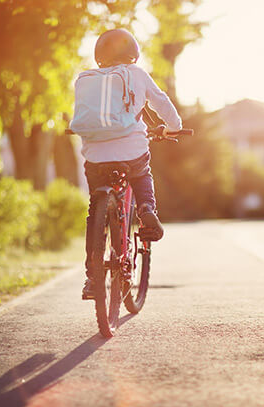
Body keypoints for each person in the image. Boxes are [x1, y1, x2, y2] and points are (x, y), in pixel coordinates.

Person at [79, 29, 182, 300]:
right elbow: (161, 102)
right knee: (141, 173)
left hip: (95, 157)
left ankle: (92, 278)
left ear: (99, 55)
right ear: (133, 53)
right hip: (131, 151)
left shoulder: (89, 79)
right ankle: (147, 208)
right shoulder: (137, 74)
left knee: (94, 211)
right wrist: (174, 128)